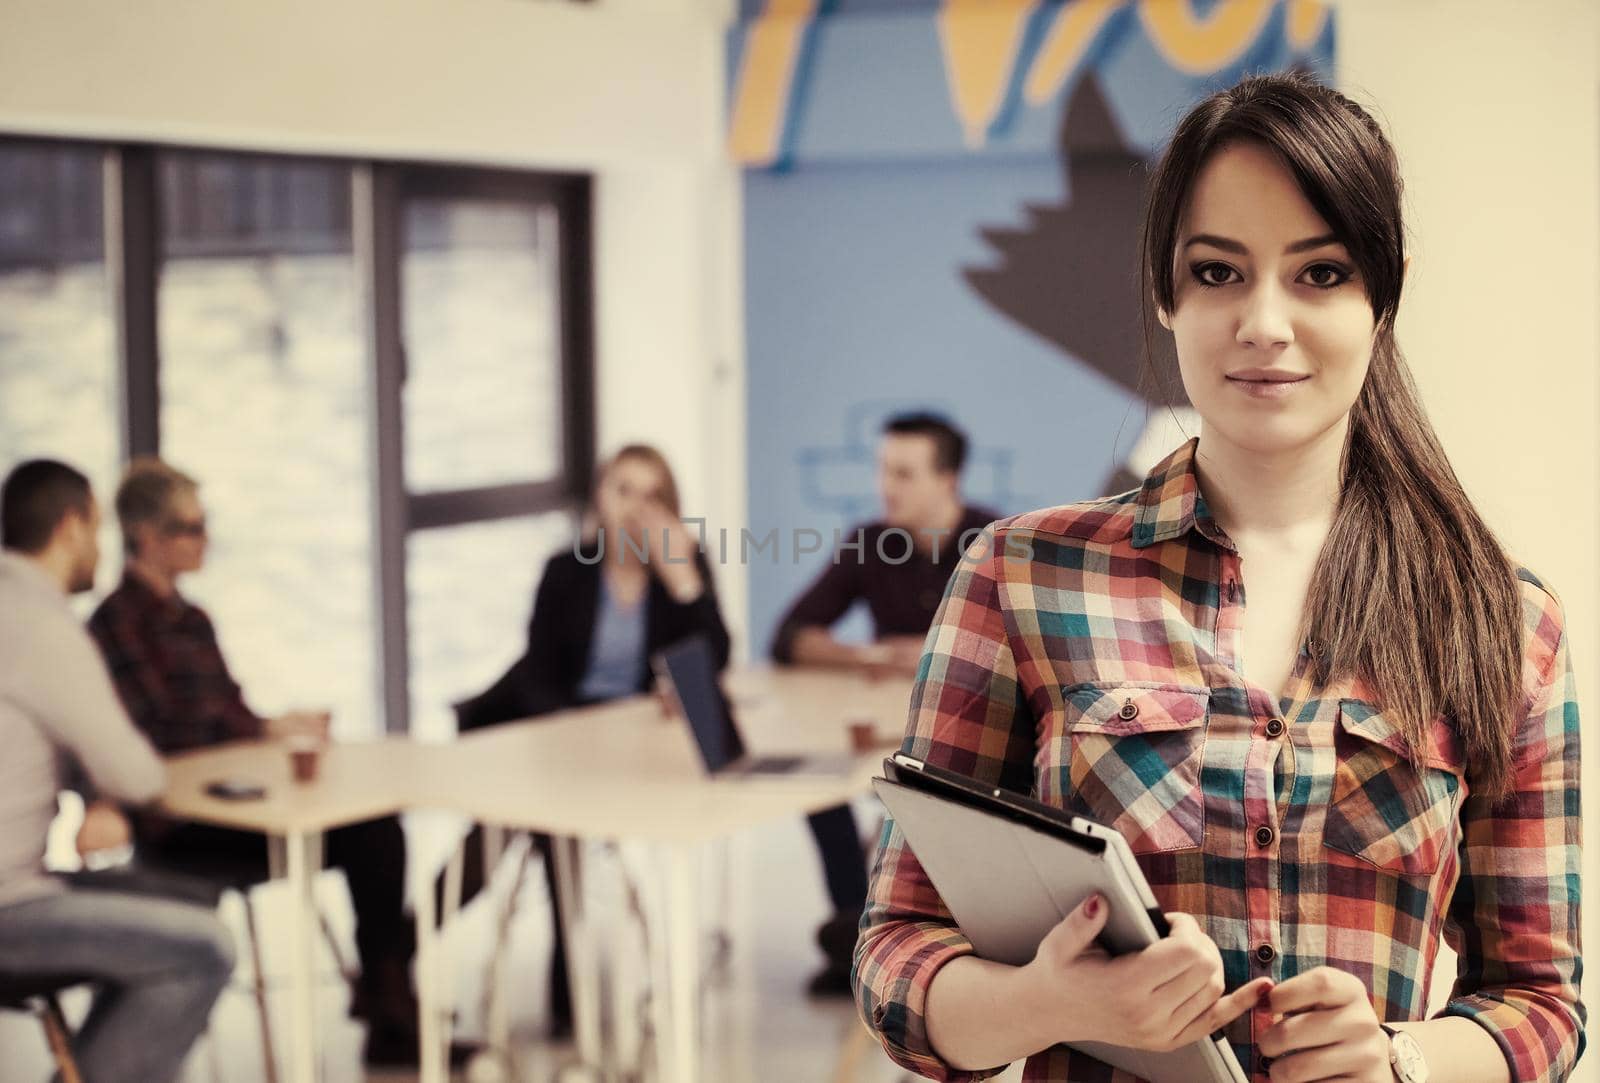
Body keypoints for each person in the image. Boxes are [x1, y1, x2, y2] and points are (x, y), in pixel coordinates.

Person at [856, 73, 1583, 1083]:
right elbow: (895, 958)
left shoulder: (1501, 621)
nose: (1264, 322)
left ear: (1385, 293)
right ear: (1166, 290)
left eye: (1320, 274)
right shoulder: (1019, 578)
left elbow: (1541, 1004)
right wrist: (1044, 1002)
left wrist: (1398, 1061)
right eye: (1218, 272)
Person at [85, 458, 449, 1068]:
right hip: (178, 828)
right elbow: (161, 733)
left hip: (239, 809)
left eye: (205, 525)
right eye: (191, 528)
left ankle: (389, 1013)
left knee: (376, 832)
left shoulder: (195, 621)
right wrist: (246, 728)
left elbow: (225, 713)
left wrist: (275, 727)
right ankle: (383, 1011)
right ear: (147, 536)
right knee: (353, 836)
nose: (205, 540)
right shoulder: (113, 626)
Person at [451, 443, 731, 1035]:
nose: (634, 507)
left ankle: (565, 978)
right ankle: (553, 970)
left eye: (651, 495)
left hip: (629, 745)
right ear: (601, 496)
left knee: (531, 827)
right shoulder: (567, 570)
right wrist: (578, 737)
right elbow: (538, 678)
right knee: (541, 823)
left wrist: (683, 581)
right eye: (622, 489)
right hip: (550, 731)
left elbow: (715, 663)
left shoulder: (684, 563)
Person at [0, 459, 236, 1083]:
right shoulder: (43, 625)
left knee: (182, 900)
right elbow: (138, 776)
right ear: (72, 526)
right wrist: (112, 788)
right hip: (9, 907)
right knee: (201, 948)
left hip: (22, 885)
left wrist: (93, 792)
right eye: (98, 529)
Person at [772, 412, 997, 997]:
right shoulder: (871, 541)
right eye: (883, 470)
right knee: (817, 782)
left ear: (947, 480)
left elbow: (1026, 649)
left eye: (903, 473)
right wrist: (871, 656)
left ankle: (906, 932)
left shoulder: (996, 543)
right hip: (883, 731)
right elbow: (790, 636)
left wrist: (928, 650)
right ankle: (856, 922)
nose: (886, 486)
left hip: (967, 736)